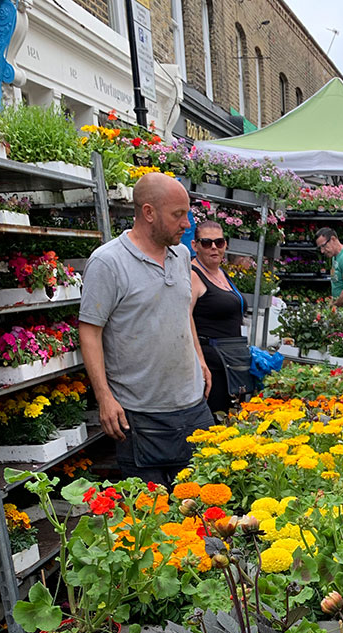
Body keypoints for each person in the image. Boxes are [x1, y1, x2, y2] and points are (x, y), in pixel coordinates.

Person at [79, 172, 213, 485]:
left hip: (193, 406)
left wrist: (200, 360)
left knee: (208, 506)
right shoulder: (108, 262)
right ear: (148, 213)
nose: (186, 223)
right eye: (178, 214)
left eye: (188, 213)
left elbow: (183, 311)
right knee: (152, 518)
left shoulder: (181, 255)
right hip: (140, 414)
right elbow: (89, 331)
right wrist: (105, 398)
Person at [190, 220, 246, 415]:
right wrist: (199, 361)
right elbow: (184, 319)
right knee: (216, 420)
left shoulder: (221, 273)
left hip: (231, 361)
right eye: (206, 242)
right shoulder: (193, 275)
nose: (214, 247)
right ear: (195, 245)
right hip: (211, 364)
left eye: (219, 242)